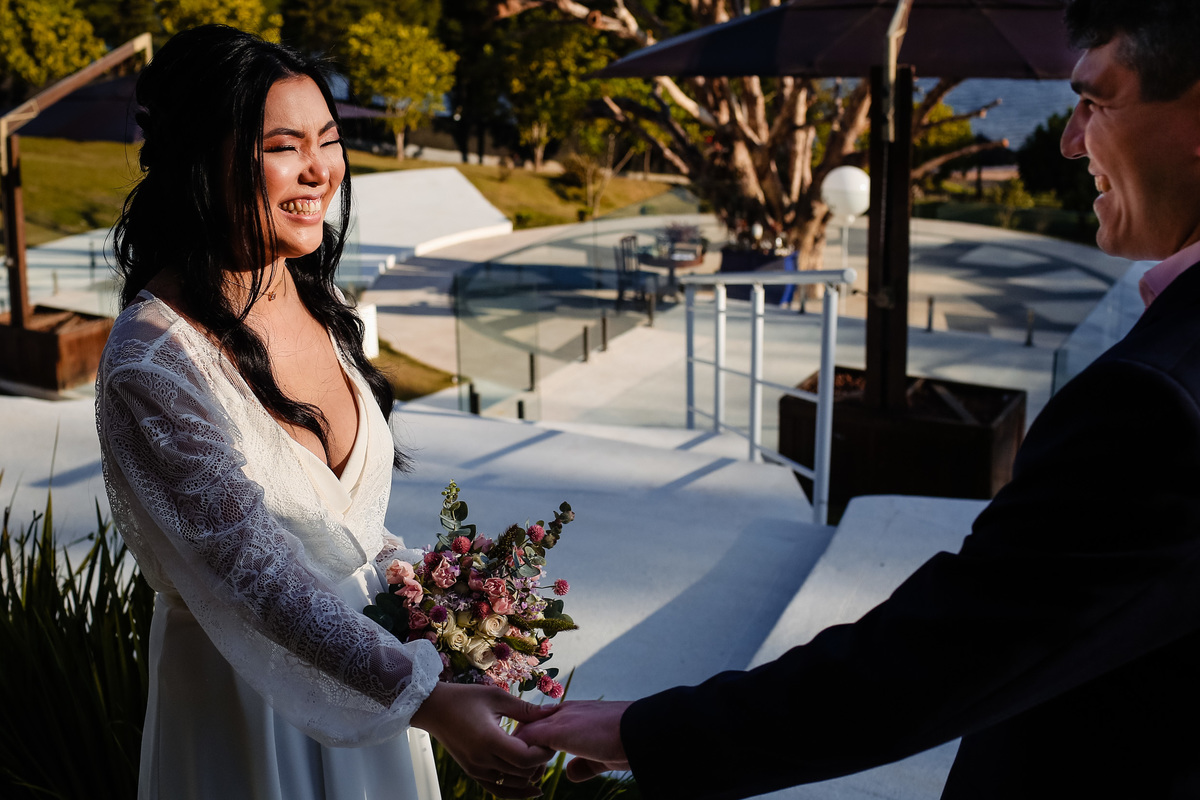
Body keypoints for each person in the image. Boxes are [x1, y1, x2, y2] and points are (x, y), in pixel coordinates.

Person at [517, 1, 1200, 797]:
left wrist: (646, 730)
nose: (1069, 138)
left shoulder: (1156, 403)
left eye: (1098, 101)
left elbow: (949, 653)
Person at [95, 25, 552, 800]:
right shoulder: (152, 360)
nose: (319, 171)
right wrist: (429, 700)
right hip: (249, 706)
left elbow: (340, 524)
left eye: (329, 140)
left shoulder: (319, 298)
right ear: (203, 159)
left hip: (379, 679)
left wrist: (438, 602)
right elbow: (254, 573)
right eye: (283, 146)